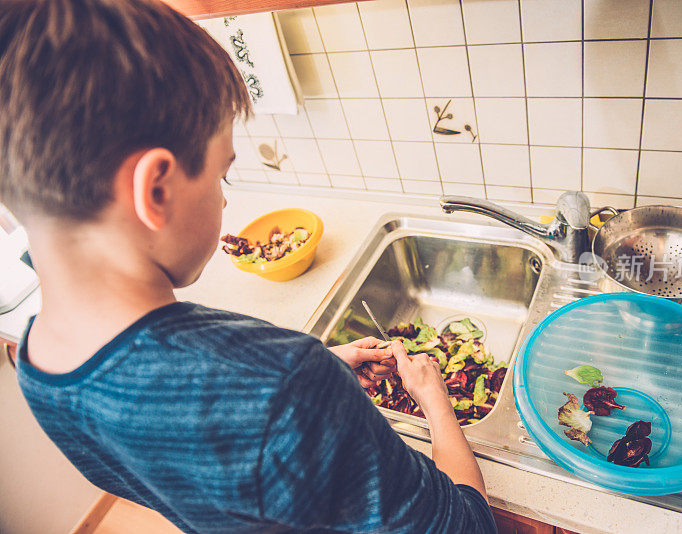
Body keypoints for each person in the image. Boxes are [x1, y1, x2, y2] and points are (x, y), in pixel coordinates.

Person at [0, 1, 497, 532]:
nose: (225, 202)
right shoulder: (286, 386)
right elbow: (466, 525)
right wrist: (435, 402)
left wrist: (319, 372)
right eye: (222, 175)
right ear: (157, 190)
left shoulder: (35, 364)